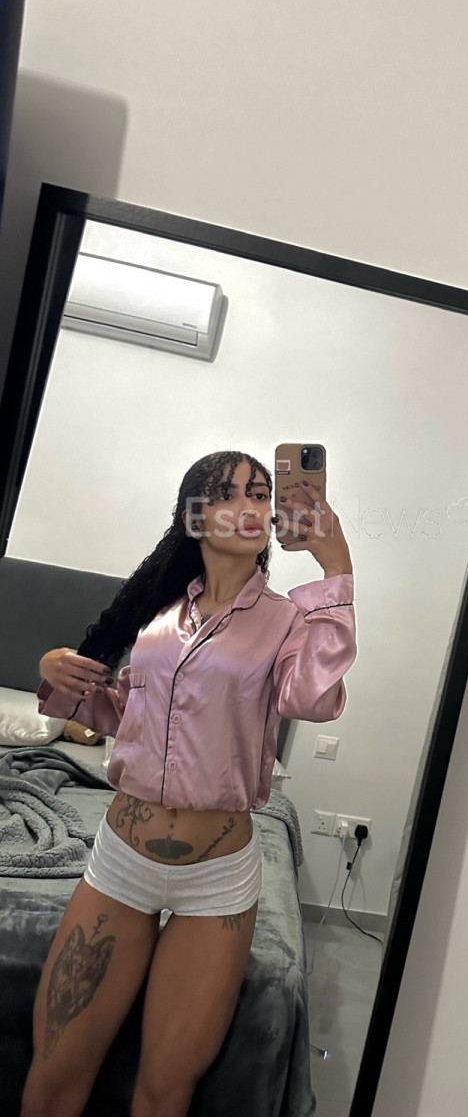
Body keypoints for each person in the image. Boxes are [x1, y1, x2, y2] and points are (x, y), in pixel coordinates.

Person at [20, 449, 356, 1117]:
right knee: (54, 1079)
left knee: (163, 1095)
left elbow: (313, 698)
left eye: (259, 493)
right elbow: (122, 717)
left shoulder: (290, 621)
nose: (249, 506)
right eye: (226, 493)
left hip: (217, 880)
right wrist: (56, 673)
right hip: (120, 863)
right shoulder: (153, 617)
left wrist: (336, 569)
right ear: (193, 518)